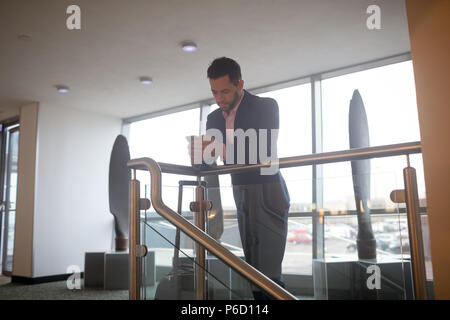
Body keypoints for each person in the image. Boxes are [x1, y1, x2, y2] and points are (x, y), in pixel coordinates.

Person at [190, 57, 290, 299]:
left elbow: (264, 152)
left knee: (269, 270)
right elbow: (208, 164)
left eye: (225, 91)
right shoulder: (214, 118)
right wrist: (198, 155)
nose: (220, 98)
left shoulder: (266, 106)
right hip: (240, 191)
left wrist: (220, 149)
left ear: (240, 84)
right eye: (215, 92)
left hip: (268, 191)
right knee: (253, 268)